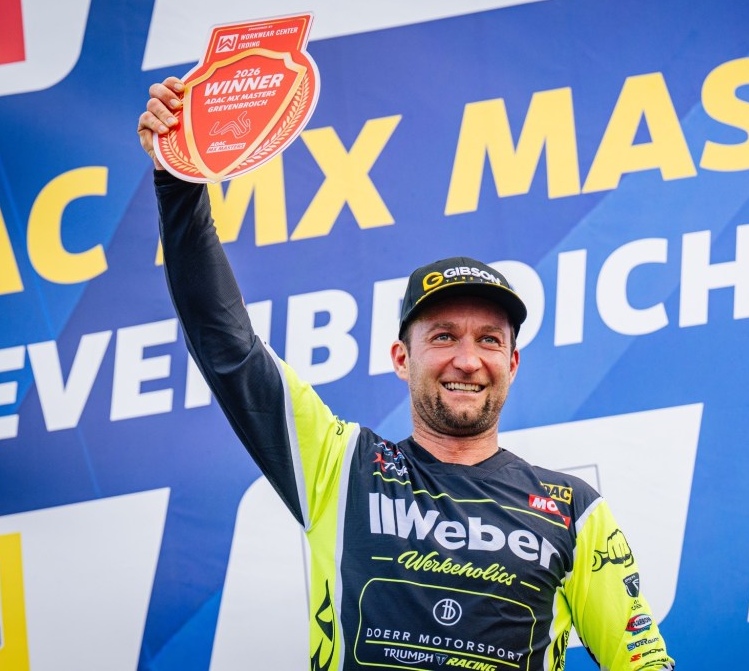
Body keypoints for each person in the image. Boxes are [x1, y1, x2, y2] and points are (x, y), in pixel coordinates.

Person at [138, 77, 674, 671]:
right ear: (402, 358)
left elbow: (645, 664)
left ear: (512, 364)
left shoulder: (574, 512)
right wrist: (178, 180)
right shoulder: (339, 469)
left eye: (489, 340)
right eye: (443, 336)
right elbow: (226, 342)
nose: (467, 359)